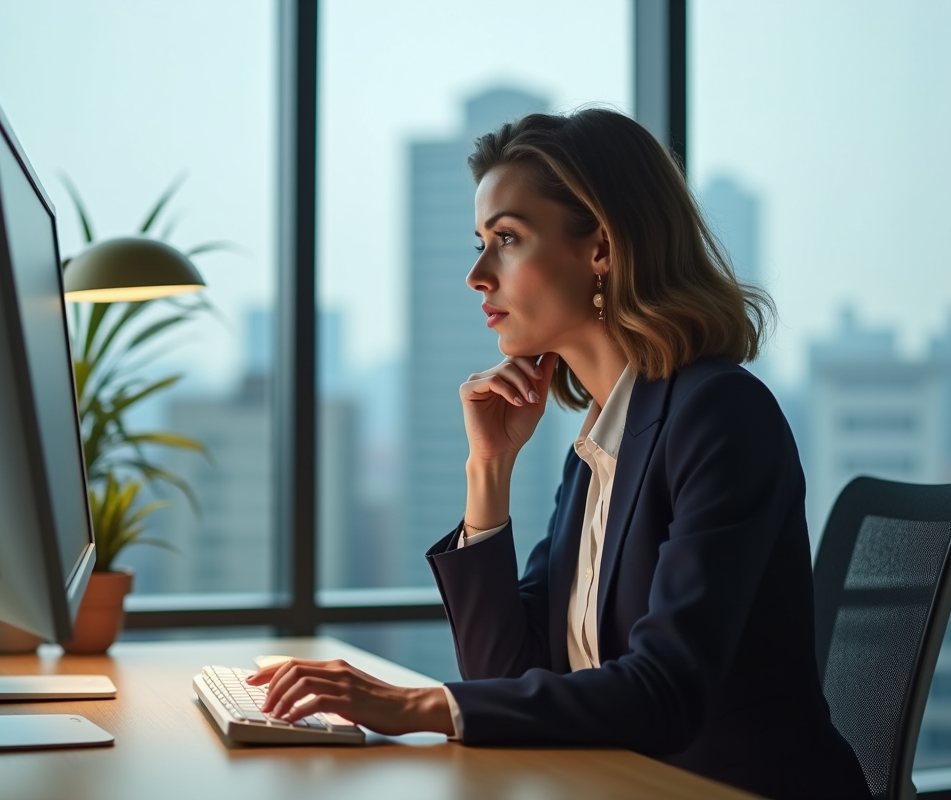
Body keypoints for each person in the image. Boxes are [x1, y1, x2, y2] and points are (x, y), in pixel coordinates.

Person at [248, 109, 869, 800]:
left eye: (507, 239)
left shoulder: (719, 414)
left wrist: (411, 705)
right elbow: (506, 675)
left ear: (601, 247)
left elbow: (666, 691)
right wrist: (489, 469)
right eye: (480, 242)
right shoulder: (601, 444)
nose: (478, 274)